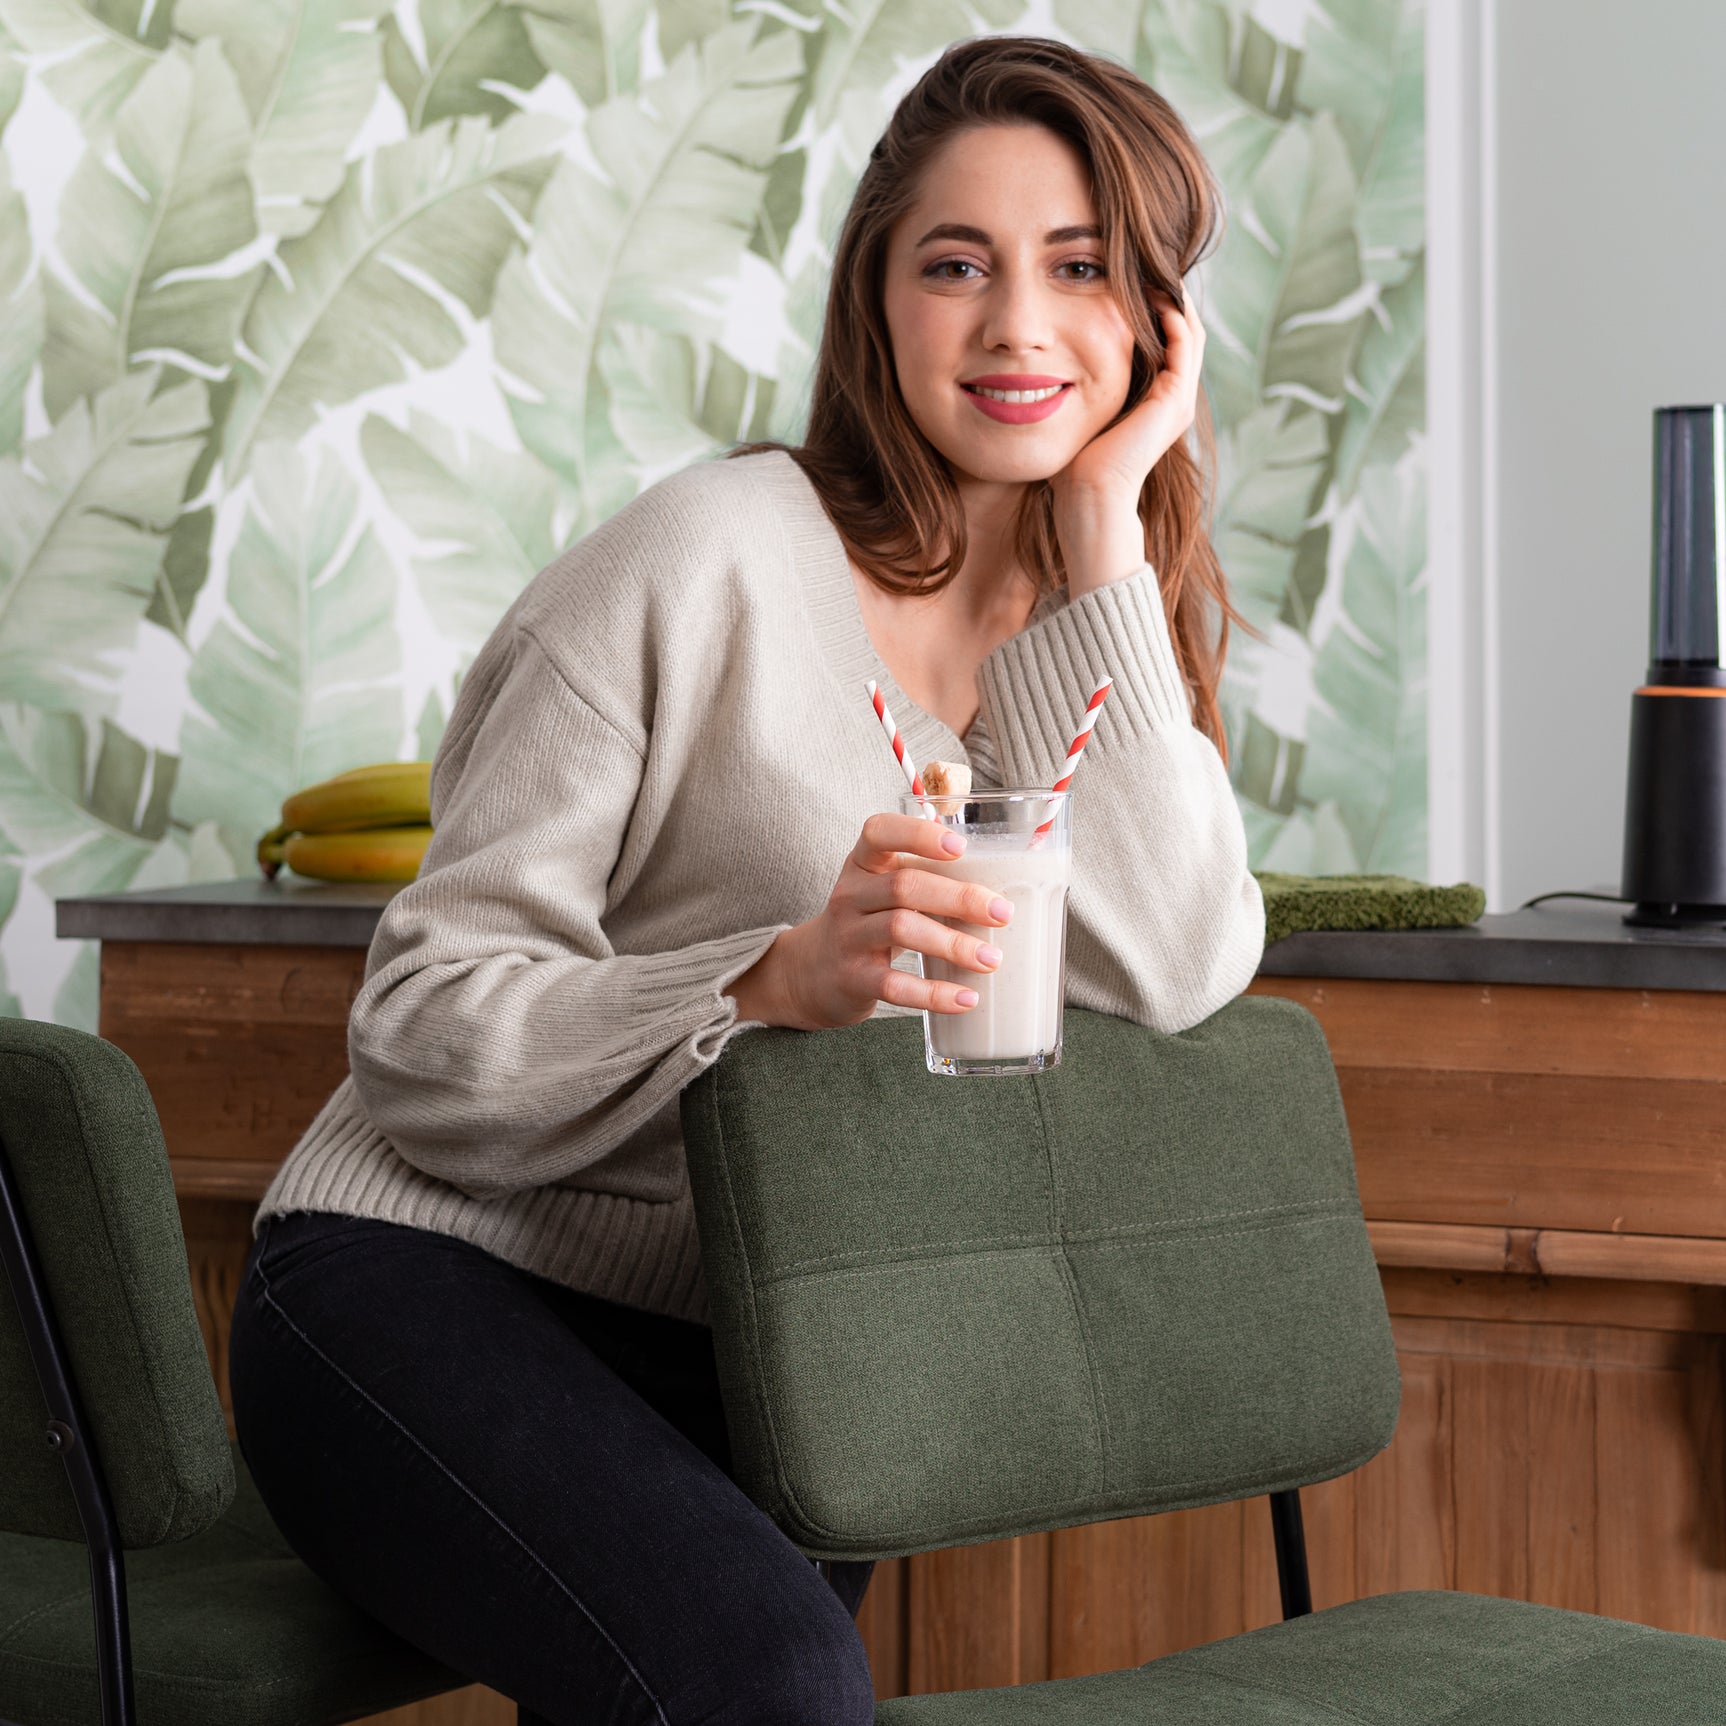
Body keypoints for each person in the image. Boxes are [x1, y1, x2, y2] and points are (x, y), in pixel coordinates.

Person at [228, 33, 1265, 1726]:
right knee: (774, 1674)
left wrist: (1096, 534)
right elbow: (417, 1033)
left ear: (1157, 323)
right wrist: (760, 978)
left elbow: (1172, 958)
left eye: (1080, 269)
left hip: (780, 1331)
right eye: (957, 266)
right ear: (879, 300)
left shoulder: (1095, 623)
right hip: (417, 1281)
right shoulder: (700, 558)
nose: (1015, 324)